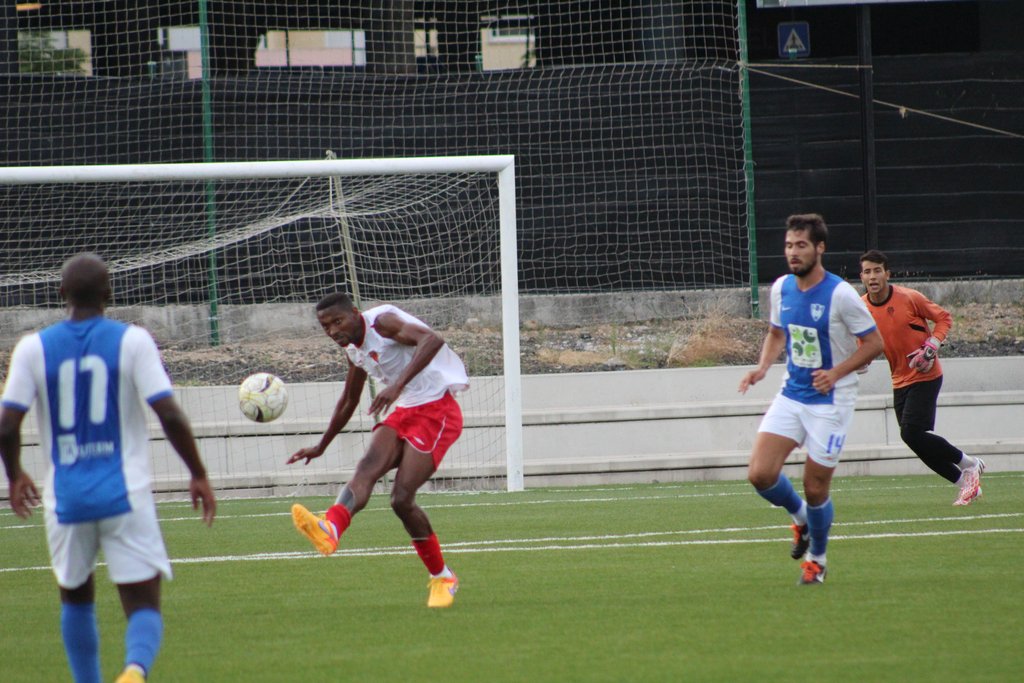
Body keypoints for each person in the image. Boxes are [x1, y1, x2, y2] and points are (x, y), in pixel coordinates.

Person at [0, 253, 216, 683]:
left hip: (66, 498)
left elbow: (6, 424)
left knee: (75, 598)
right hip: (125, 493)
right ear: (109, 293)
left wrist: (16, 474)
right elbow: (169, 413)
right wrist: (198, 473)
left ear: (61, 293)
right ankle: (134, 670)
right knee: (143, 604)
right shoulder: (133, 341)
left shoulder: (32, 348)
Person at [288, 293, 468, 608]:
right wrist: (321, 445)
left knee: (401, 499)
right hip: (406, 409)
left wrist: (397, 386)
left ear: (355, 313)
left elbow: (432, 340)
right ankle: (331, 527)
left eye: (337, 321)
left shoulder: (383, 323)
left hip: (438, 409)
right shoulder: (353, 350)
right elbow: (349, 400)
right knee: (367, 467)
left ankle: (443, 577)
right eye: (326, 326)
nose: (333, 331)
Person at [738, 214, 883, 585]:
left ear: (820, 248)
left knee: (816, 486)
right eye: (789, 245)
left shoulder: (840, 294)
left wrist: (835, 373)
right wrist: (762, 368)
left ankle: (817, 559)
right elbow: (776, 333)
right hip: (792, 394)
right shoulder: (781, 288)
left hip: (831, 402)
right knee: (760, 474)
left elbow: (874, 344)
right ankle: (801, 518)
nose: (793, 252)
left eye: (801, 245)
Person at [859, 249, 985, 505]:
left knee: (912, 433)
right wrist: (860, 361)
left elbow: (944, 318)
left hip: (926, 375)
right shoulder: (861, 308)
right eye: (867, 272)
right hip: (899, 380)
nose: (872, 277)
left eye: (877, 271)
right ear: (861, 277)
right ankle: (966, 484)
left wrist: (931, 346)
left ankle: (970, 464)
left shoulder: (909, 297)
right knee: (914, 440)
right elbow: (866, 343)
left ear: (887, 274)